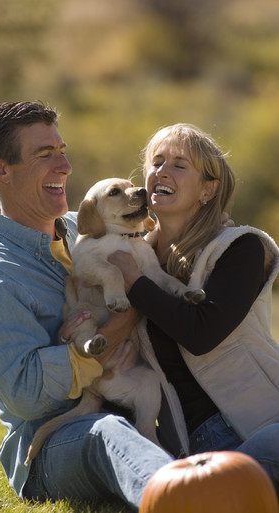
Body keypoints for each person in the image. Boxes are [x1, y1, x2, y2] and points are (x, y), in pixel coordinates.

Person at [0, 101, 179, 511]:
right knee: (108, 434)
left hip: (134, 395)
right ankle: (185, 497)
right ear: (1, 169)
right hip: (59, 441)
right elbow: (26, 395)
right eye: (45, 155)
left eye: (61, 150)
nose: (65, 165)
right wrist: (101, 338)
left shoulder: (89, 223)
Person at [108, 122, 279, 495]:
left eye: (179, 165)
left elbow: (202, 333)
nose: (161, 172)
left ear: (208, 189)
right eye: (156, 162)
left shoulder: (240, 248)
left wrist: (136, 283)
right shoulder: (130, 257)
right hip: (195, 450)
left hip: (265, 422)